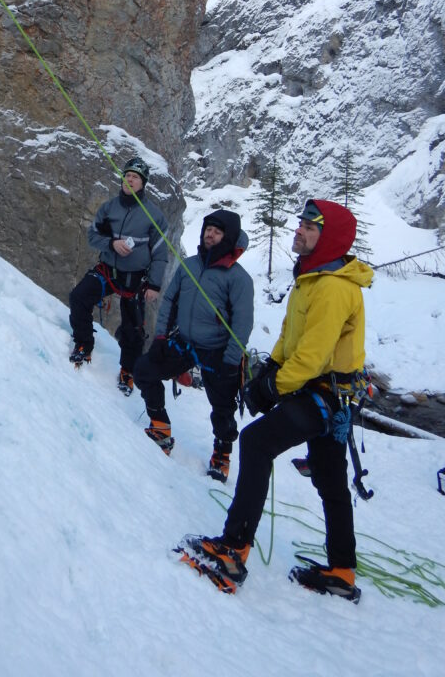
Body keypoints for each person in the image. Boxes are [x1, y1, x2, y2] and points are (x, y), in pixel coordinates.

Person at [177, 199, 373, 601]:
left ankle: (232, 551)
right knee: (330, 478)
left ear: (328, 238)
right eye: (300, 223)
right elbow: (290, 338)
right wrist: (271, 371)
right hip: (326, 394)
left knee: (256, 441)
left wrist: (273, 387)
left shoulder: (333, 288)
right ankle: (341, 570)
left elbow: (313, 355)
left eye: (309, 227)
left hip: (324, 395)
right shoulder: (312, 279)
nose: (298, 230)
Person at [134, 209, 253, 464]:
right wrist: (160, 338)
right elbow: (170, 302)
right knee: (145, 370)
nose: (210, 234)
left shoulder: (238, 278)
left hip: (218, 350)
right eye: (208, 229)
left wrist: (231, 361)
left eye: (217, 231)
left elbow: (242, 324)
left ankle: (222, 454)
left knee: (222, 407)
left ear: (229, 237)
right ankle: (160, 427)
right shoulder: (189, 266)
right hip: (185, 341)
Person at [68, 157, 168, 393]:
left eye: (135, 177)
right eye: (127, 175)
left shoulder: (154, 215)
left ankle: (128, 370)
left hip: (136, 279)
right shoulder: (109, 208)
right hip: (108, 271)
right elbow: (92, 236)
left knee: (133, 329)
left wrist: (154, 284)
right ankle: (84, 343)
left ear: (143, 183)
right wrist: (112, 243)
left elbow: (160, 254)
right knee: (79, 297)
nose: (129, 180)